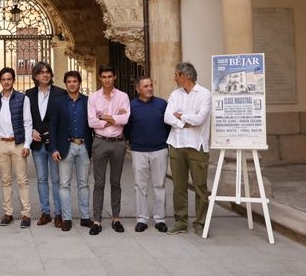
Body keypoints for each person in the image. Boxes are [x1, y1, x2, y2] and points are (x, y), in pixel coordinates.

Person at [164, 62, 213, 235]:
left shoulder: (205, 94)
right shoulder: (175, 94)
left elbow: (200, 119)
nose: (174, 77)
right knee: (179, 186)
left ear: (186, 76)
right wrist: (184, 123)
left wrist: (181, 116)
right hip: (176, 144)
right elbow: (167, 117)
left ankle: (200, 223)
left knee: (200, 186)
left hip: (197, 146)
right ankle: (181, 222)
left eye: (176, 74)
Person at [87, 64, 130, 235]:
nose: (107, 80)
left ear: (115, 77)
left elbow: (125, 118)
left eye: (110, 77)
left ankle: (116, 218)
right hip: (100, 142)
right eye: (104, 77)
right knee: (98, 183)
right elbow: (91, 122)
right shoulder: (93, 97)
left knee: (116, 182)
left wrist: (103, 116)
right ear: (100, 78)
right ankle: (97, 220)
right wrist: (113, 119)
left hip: (118, 142)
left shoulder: (123, 96)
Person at [124, 76, 171, 233]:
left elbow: (168, 125)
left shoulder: (162, 104)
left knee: (159, 185)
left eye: (151, 85)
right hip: (138, 151)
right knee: (140, 186)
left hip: (159, 149)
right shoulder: (131, 106)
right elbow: (127, 128)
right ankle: (142, 219)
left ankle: (160, 219)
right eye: (146, 86)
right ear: (138, 89)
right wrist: (134, 142)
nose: (149, 88)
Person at [0, 67, 33, 228]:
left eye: (9, 79)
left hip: (18, 144)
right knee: (5, 180)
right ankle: (8, 213)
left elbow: (28, 123)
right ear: (0, 81)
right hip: (1, 144)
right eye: (3, 79)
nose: (6, 82)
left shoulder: (23, 99)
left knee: (22, 180)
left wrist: (27, 144)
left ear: (13, 80)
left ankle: (26, 214)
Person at [25, 61, 67, 228]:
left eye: (47, 71)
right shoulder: (28, 94)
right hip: (37, 144)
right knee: (42, 179)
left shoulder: (60, 93)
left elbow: (63, 119)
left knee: (56, 179)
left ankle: (58, 214)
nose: (45, 74)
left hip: (54, 143)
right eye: (41, 72)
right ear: (35, 76)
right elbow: (26, 118)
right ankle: (45, 213)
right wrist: (31, 131)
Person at [50, 71, 92, 232]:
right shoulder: (58, 102)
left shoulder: (88, 101)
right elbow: (53, 127)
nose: (72, 84)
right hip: (64, 147)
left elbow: (92, 125)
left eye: (75, 81)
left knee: (84, 184)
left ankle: (85, 217)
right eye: (69, 81)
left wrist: (92, 148)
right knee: (64, 183)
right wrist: (53, 148)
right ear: (65, 84)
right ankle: (66, 218)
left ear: (79, 83)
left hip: (83, 146)